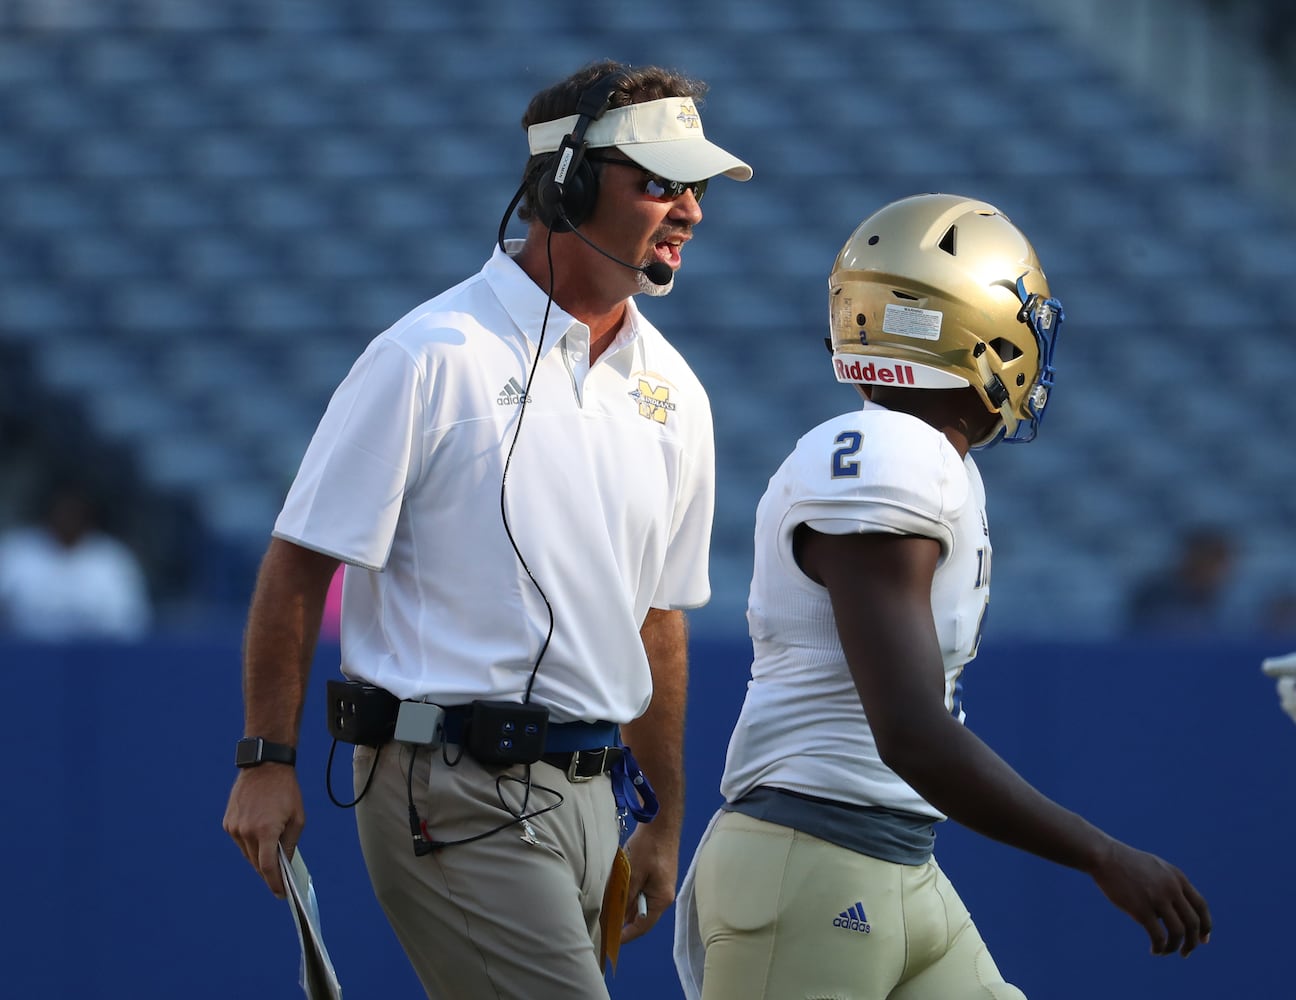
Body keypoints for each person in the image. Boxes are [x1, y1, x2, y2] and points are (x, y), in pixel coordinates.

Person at [222, 59, 751, 1000]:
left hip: (594, 799)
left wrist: (665, 816)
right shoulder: (426, 355)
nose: (692, 211)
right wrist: (267, 759)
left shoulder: (679, 395)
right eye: (662, 183)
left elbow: (658, 619)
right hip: (448, 787)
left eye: (697, 187)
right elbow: (300, 563)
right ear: (567, 185)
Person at [673, 193, 1211, 1000]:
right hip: (813, 863)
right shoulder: (890, 452)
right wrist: (1101, 853)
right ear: (977, 326)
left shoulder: (921, 456)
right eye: (1022, 314)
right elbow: (911, 732)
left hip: (891, 860)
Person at [0, 477, 151, 641]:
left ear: (89, 517)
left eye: (75, 513)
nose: (68, 519)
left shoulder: (113, 560)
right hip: (23, 657)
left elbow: (132, 624)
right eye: (62, 511)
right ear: (48, 513)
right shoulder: (15, 552)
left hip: (95, 659)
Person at [1125, 526, 1236, 635]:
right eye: (1211, 561)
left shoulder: (1222, 599)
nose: (1218, 571)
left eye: (1221, 563)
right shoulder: (1156, 595)